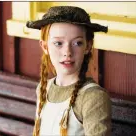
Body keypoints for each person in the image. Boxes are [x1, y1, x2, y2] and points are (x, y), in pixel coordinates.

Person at [26, 6, 111, 136]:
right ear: (45, 46)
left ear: (88, 46)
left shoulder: (92, 98)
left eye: (77, 43)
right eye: (58, 43)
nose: (67, 52)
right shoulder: (44, 88)